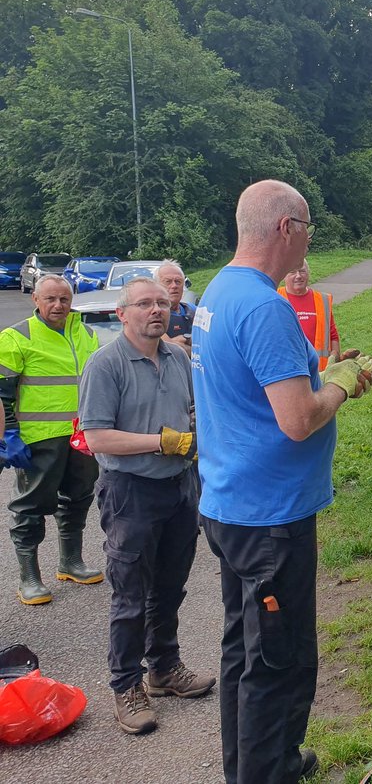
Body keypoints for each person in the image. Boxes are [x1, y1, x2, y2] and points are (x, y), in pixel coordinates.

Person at [193, 179, 372, 783]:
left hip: (230, 504)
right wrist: (342, 385)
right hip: (270, 517)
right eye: (308, 229)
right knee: (281, 661)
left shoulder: (220, 291)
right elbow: (298, 420)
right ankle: (268, 773)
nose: (309, 244)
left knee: (243, 651)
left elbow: (261, 387)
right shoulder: (265, 306)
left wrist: (326, 369)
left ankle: (256, 764)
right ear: (286, 229)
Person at [78, 278, 215, 735]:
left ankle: (163, 669)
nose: (156, 310)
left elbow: (194, 410)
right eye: (144, 304)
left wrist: (194, 438)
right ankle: (126, 686)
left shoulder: (178, 357)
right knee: (130, 595)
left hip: (179, 489)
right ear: (123, 314)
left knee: (170, 587)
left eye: (161, 302)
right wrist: (161, 442)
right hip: (130, 492)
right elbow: (97, 437)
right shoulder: (106, 364)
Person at [0, 275, 101, 605]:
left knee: (77, 499)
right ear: (36, 300)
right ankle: (29, 578)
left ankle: (70, 562)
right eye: (51, 299)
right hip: (37, 440)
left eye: (64, 299)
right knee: (30, 507)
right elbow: (2, 393)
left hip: (80, 437)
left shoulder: (85, 333)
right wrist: (10, 433)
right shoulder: (16, 337)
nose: (58, 305)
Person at [279, 260, 340, 372]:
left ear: (308, 274)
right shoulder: (275, 299)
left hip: (320, 372)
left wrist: (334, 361)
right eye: (292, 272)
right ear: (284, 275)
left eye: (302, 271)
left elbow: (333, 336)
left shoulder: (323, 300)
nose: (298, 276)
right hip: (287, 371)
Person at [156, 260, 195, 356]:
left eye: (178, 281)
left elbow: (209, 343)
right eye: (168, 281)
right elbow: (169, 352)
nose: (174, 286)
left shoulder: (193, 310)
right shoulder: (151, 316)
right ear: (156, 285)